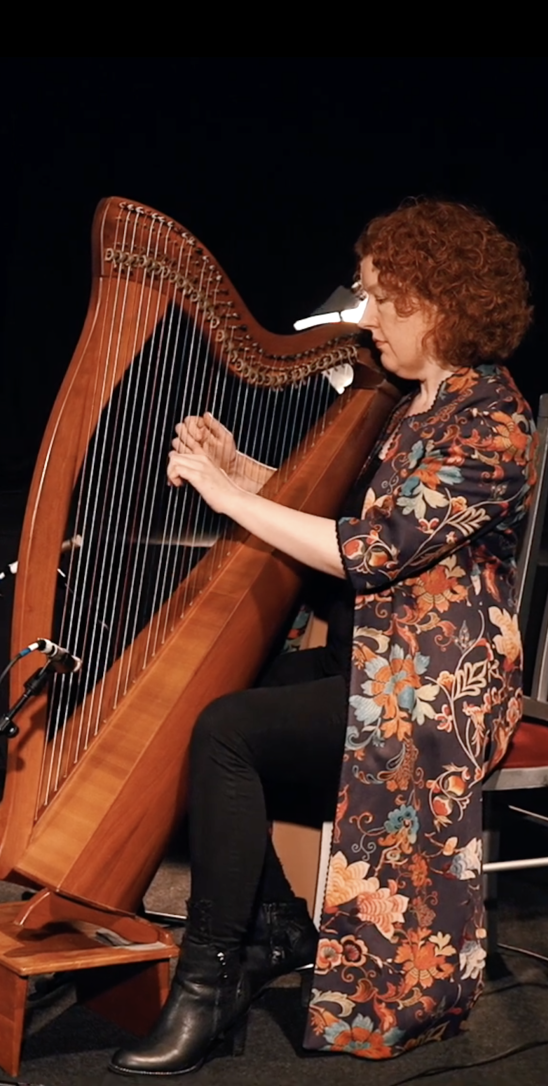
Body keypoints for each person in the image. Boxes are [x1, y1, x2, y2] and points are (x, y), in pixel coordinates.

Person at [109, 199, 535, 1075]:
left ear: (439, 306)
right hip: (375, 656)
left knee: (229, 731)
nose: (364, 316)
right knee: (226, 693)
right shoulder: (414, 405)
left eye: (383, 300)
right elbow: (345, 515)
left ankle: (211, 976)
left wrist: (231, 501)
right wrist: (238, 470)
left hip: (434, 685)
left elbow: (373, 549)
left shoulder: (490, 425)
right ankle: (268, 928)